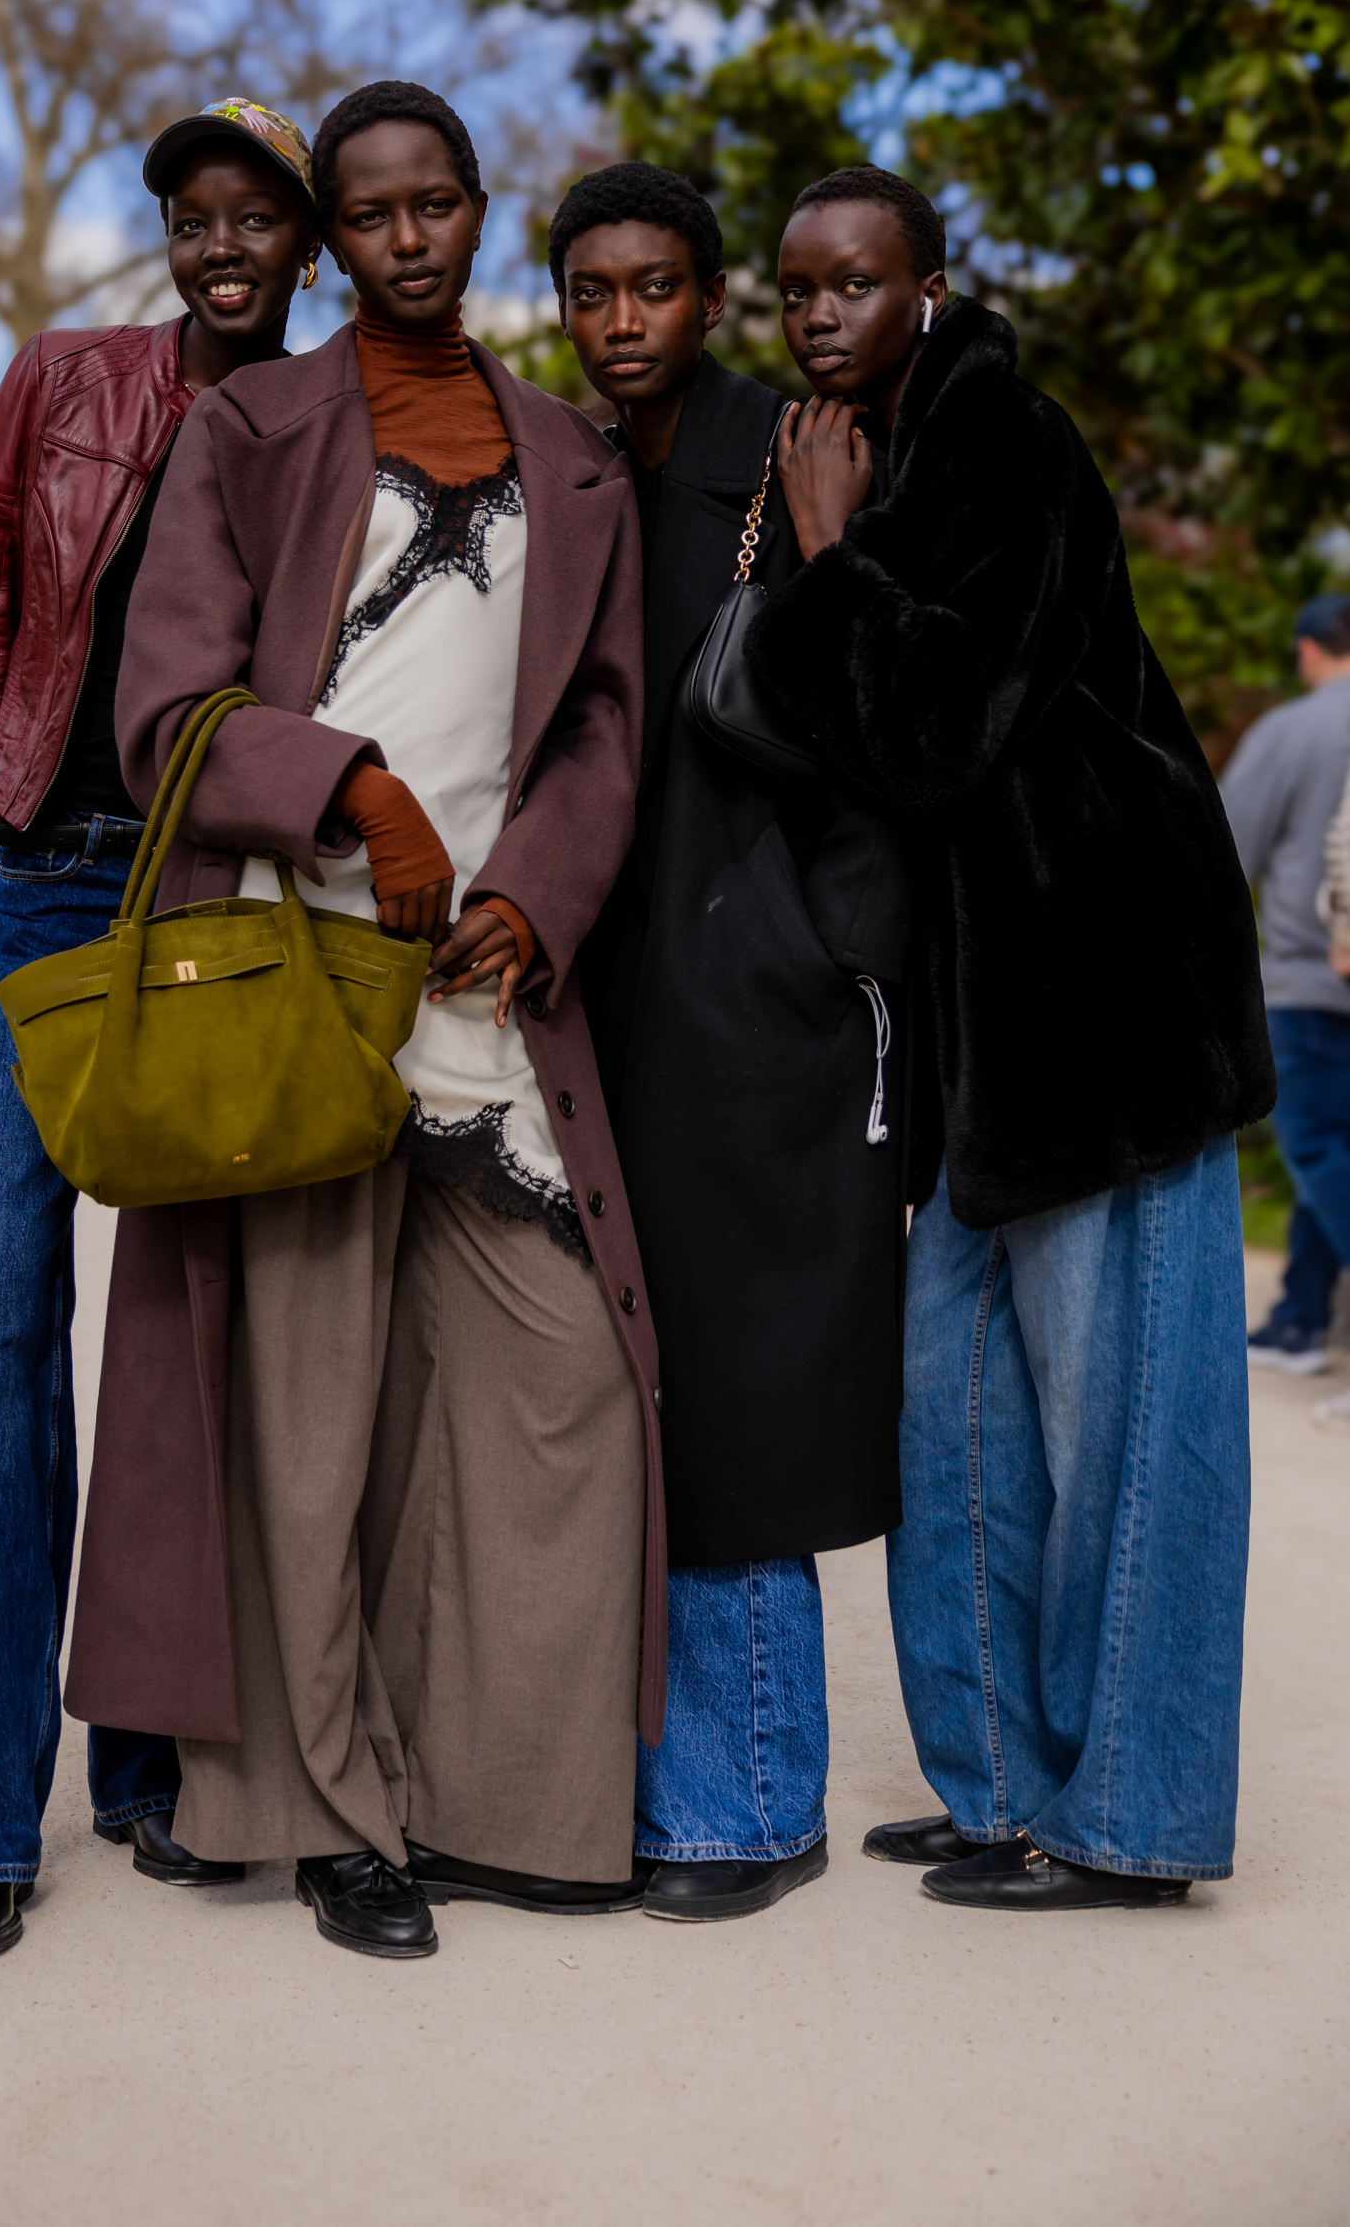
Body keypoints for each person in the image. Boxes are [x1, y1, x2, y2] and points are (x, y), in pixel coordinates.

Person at [63, 82, 665, 1961]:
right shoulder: (250, 426)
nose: (408, 238)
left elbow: (601, 728)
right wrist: (356, 795)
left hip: (487, 997)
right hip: (297, 984)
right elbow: (163, 709)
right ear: (332, 243)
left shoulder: (572, 455)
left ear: (479, 215)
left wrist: (528, 892)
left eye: (437, 206)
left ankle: (503, 1798)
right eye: (372, 215)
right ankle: (333, 1821)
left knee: (563, 1386)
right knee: (307, 1427)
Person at [745, 164, 1274, 1911]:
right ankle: (996, 1790)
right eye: (795, 286)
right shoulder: (878, 451)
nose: (817, 311)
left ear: (927, 284)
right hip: (992, 1041)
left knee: (1126, 1435)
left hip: (1107, 1004)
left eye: (852, 281)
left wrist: (825, 561)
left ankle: (1125, 1823)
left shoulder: (1001, 440)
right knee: (957, 1425)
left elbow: (935, 732)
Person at [0, 97, 322, 1960]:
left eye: (257, 219)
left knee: (177, 1343)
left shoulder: (325, 427)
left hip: (215, 906)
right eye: (193, 217)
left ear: (303, 247)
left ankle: (147, 1770)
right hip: (51, 893)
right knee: (0, 1332)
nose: (222, 244)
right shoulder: (66, 381)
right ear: (167, 237)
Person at [555, 163, 911, 1922]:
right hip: (591, 1000)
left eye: (657, 287)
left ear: (709, 297)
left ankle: (745, 1804)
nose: (623, 321)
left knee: (742, 1397)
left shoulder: (801, 451)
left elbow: (889, 727)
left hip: (748, 993)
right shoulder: (559, 467)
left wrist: (814, 955)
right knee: (617, 1398)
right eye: (591, 292)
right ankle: (624, 1786)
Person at [1220, 593, 1350, 1374]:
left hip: (1310, 981)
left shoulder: (1292, 731)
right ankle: (1301, 1317)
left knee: (1316, 1149)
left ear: (1306, 650)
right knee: (1333, 1151)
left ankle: (1305, 1318)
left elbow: (1224, 855)